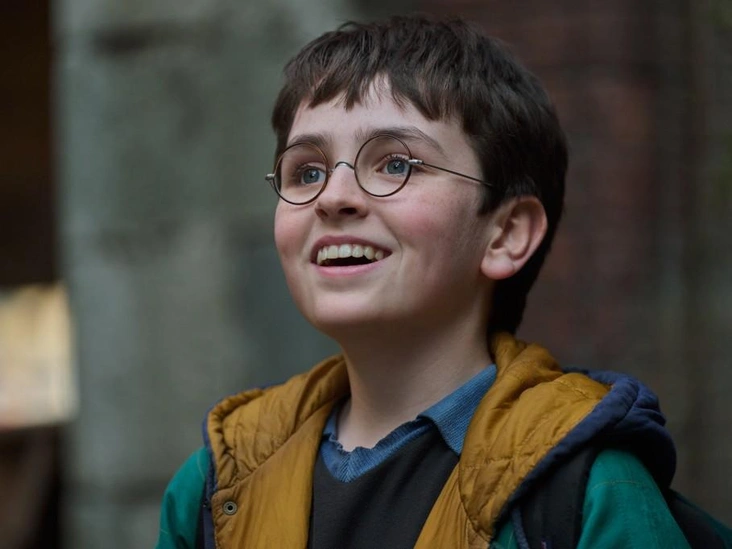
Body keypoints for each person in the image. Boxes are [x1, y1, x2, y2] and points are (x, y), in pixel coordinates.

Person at [156, 14, 731, 549]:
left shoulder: (587, 489)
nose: (333, 197)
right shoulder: (215, 486)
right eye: (306, 171)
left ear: (505, 233)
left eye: (396, 164)